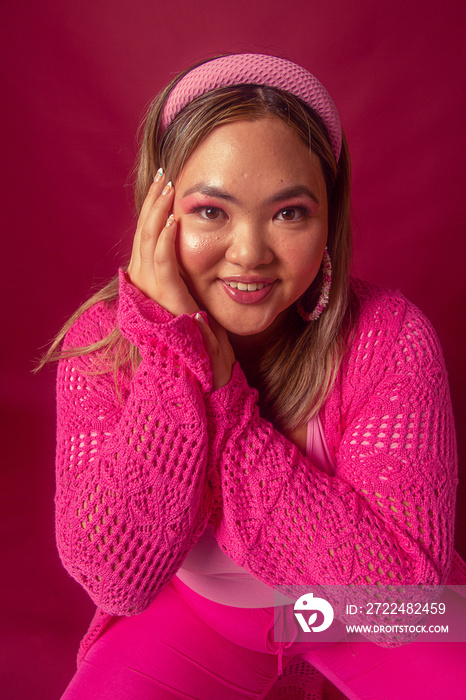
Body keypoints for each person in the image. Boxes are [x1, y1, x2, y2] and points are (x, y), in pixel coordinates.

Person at [42, 53, 465, 699]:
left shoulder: (389, 336)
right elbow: (115, 578)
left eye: (289, 212)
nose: (250, 253)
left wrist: (228, 408)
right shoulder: (104, 347)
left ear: (329, 221)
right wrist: (171, 359)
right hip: (204, 624)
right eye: (212, 211)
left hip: (380, 626)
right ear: (159, 214)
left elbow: (401, 600)